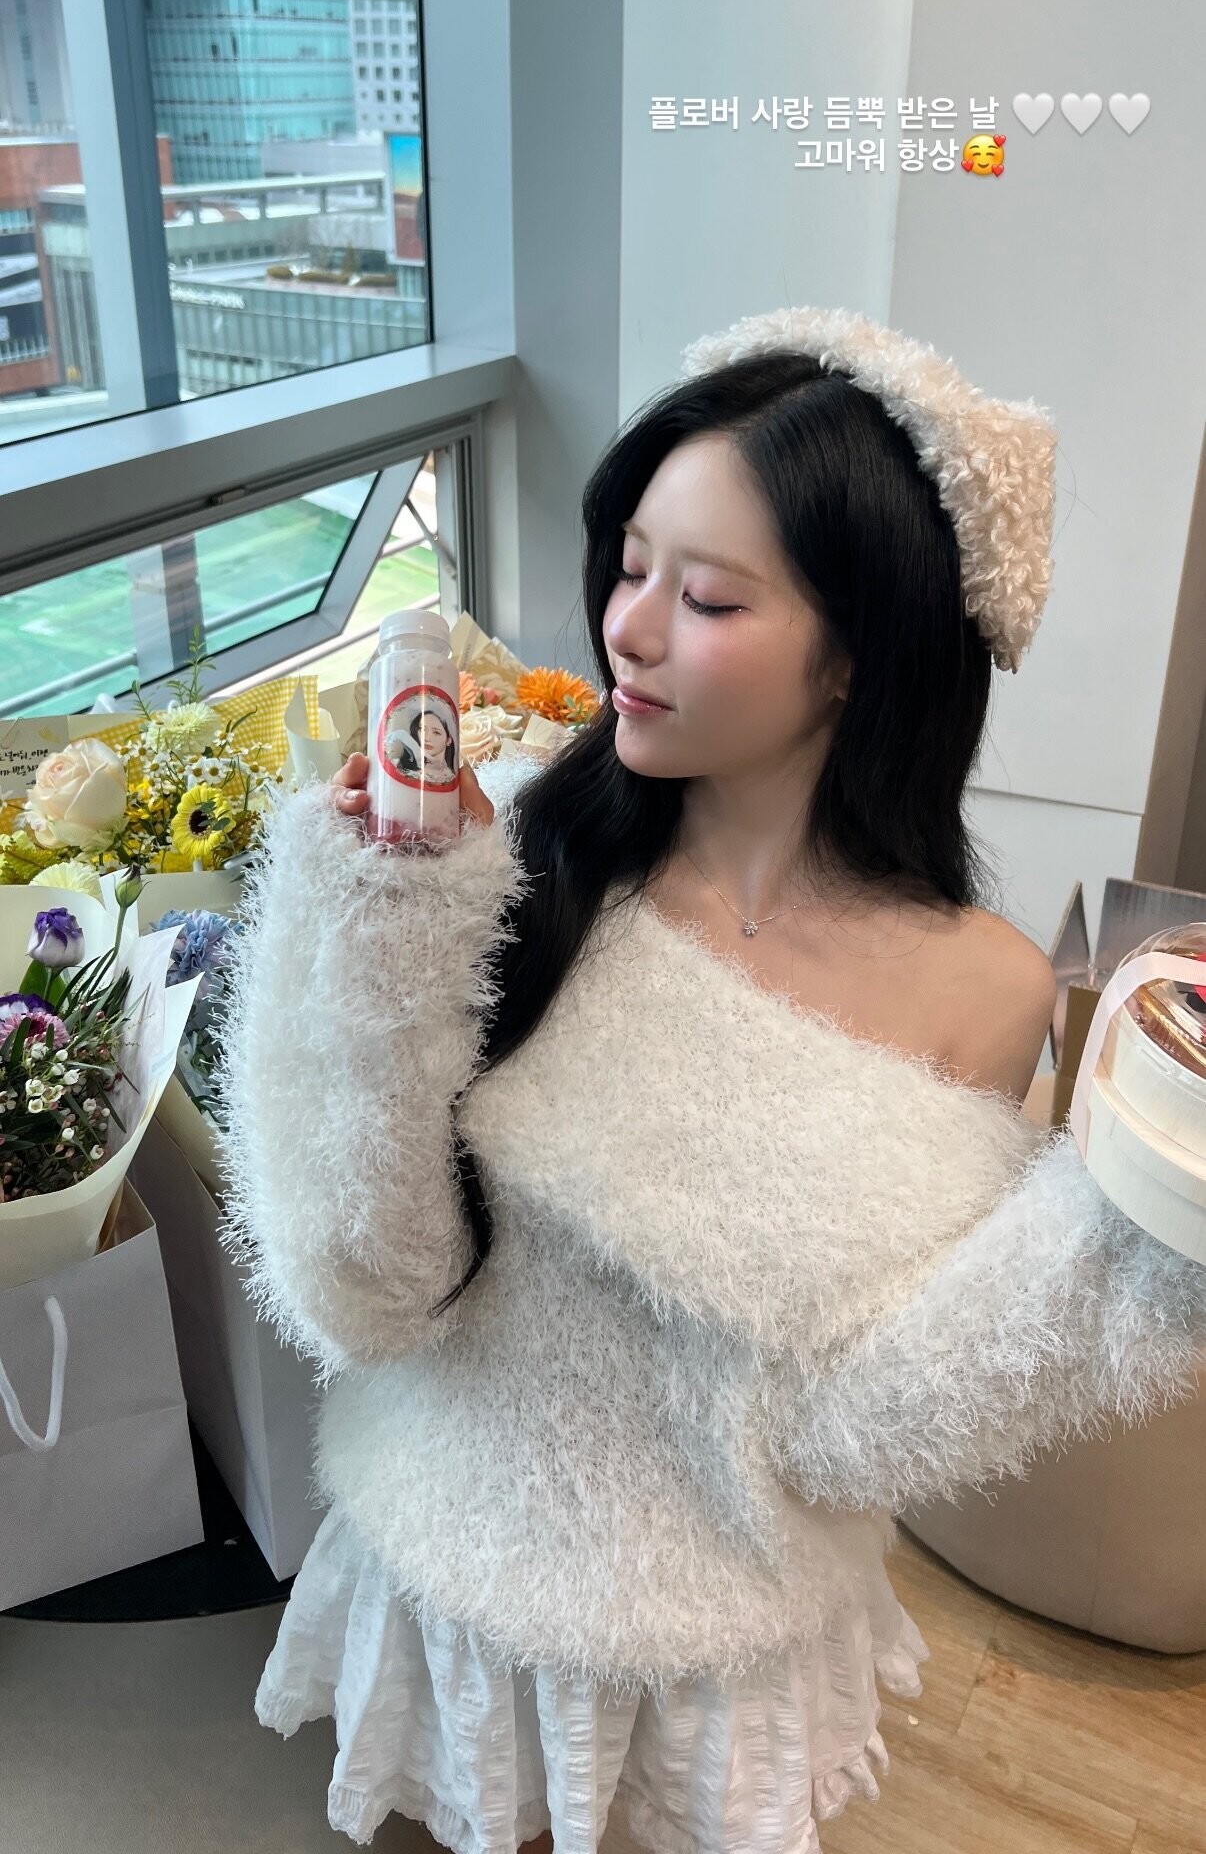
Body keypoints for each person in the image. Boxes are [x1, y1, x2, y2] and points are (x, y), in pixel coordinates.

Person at [214, 304, 1206, 1854]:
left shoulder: (990, 989)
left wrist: (1142, 1231)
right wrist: (371, 937)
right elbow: (364, 1287)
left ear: (858, 654)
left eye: (708, 596)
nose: (625, 629)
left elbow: (853, 1429)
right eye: (627, 567)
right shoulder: (517, 857)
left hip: (717, 1643)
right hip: (450, 1560)